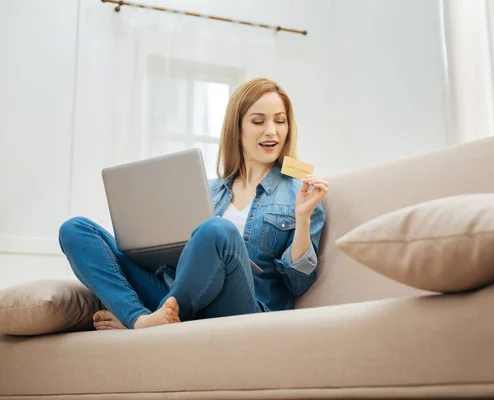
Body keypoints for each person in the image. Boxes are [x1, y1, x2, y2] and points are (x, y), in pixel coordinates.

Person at [58, 77, 328, 330]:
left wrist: (303, 217)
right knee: (75, 229)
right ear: (237, 130)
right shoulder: (206, 190)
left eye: (280, 121)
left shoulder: (300, 194)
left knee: (217, 230)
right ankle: (139, 320)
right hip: (181, 296)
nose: (272, 131)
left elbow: (298, 283)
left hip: (243, 309)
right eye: (258, 121)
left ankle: (160, 316)